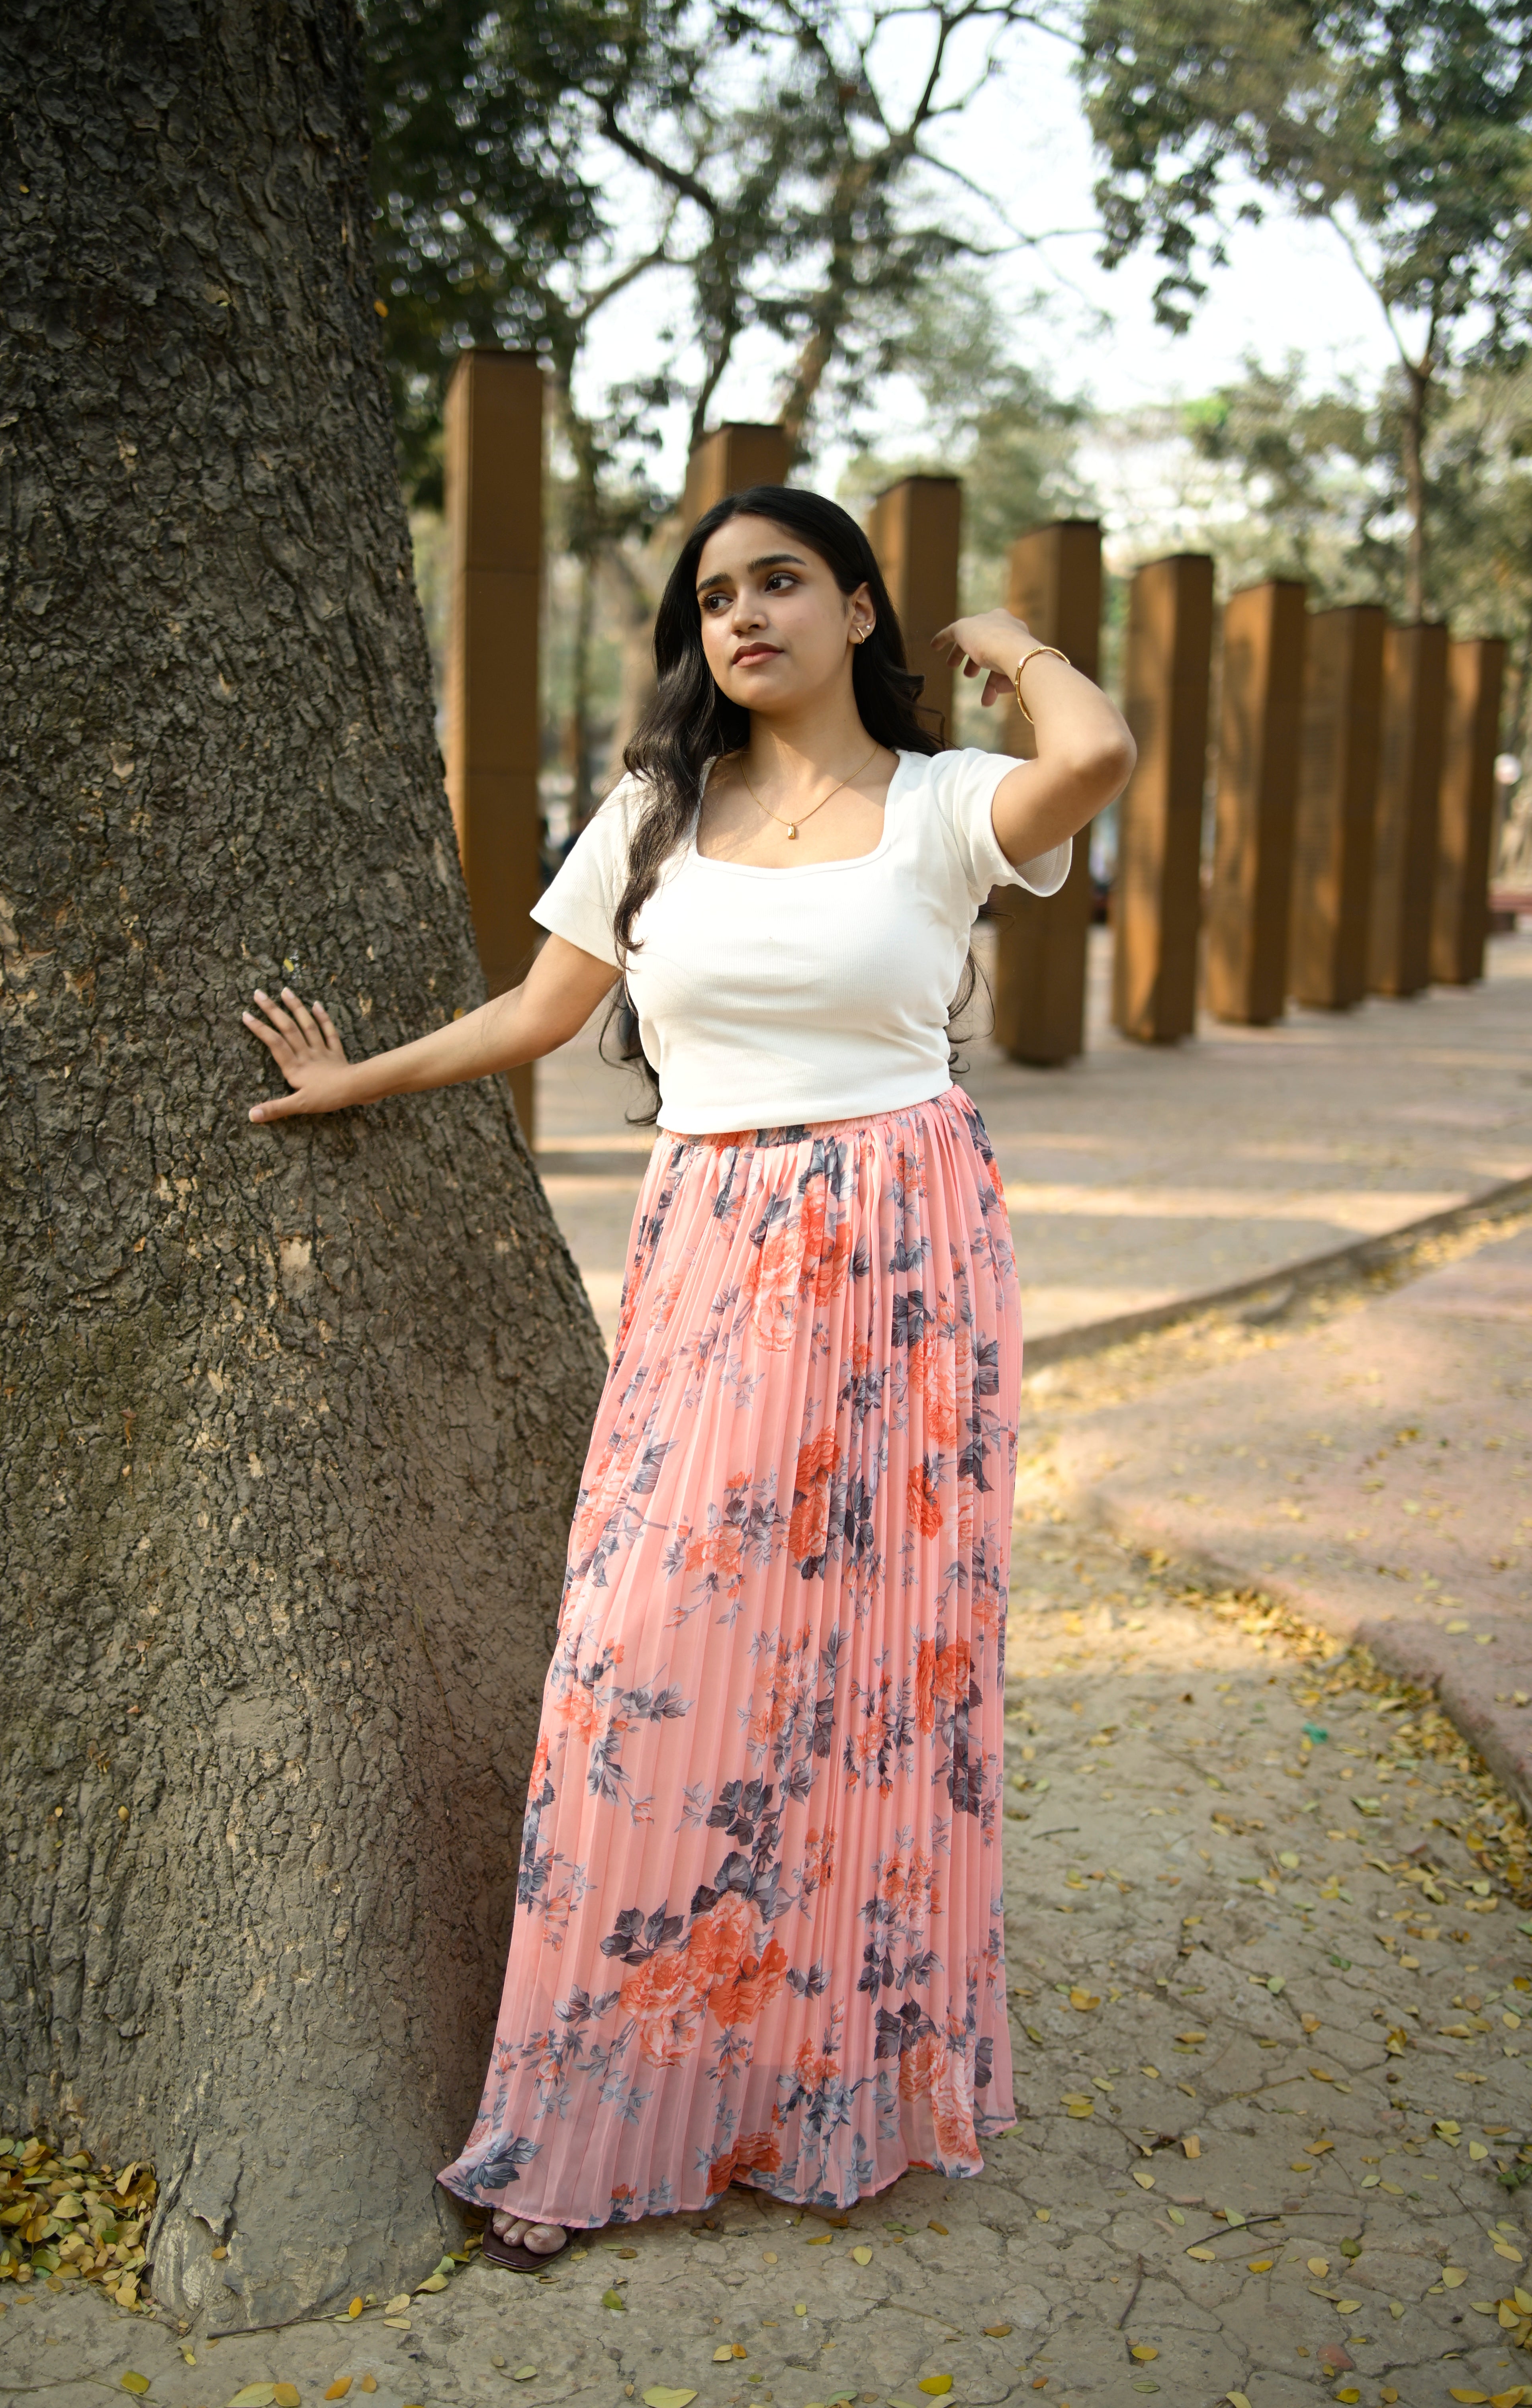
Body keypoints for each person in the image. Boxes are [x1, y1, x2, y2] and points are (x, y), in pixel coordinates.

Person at [242, 487, 1134, 2269]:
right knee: (645, 1666)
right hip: (717, 1256)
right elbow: (538, 1012)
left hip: (907, 1263)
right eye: (715, 595)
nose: (742, 616)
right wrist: (361, 1085)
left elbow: (1096, 749)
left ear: (859, 608)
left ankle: (834, 2096)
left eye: (782, 582)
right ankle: (592, 2116)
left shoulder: (947, 800)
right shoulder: (656, 813)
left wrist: (1013, 649)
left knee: (878, 1675)